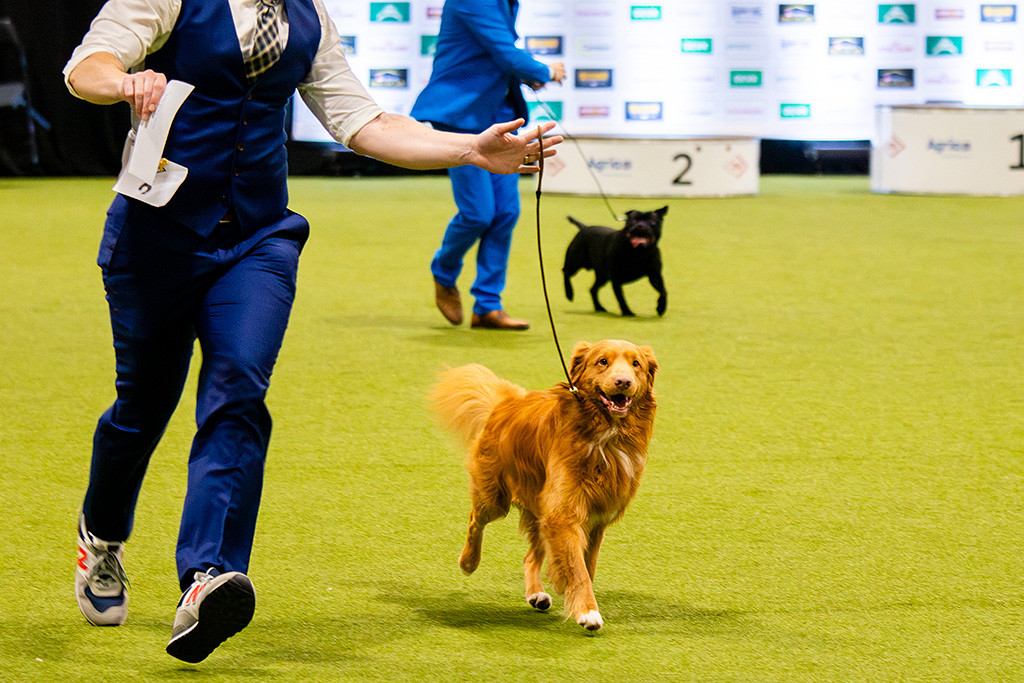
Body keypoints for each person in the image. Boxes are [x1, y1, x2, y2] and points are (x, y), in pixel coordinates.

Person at [64, 0, 560, 664]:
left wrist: (469, 148)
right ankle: (101, 536)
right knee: (143, 407)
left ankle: (207, 578)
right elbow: (87, 66)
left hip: (258, 240)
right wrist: (125, 81)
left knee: (239, 391)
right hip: (157, 238)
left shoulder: (309, 17)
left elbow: (363, 121)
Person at [411, 0, 565, 330]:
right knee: (478, 213)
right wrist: (547, 72)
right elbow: (504, 51)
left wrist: (524, 75)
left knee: (506, 212)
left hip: (501, 113)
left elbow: (494, 54)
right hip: (461, 114)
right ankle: (444, 271)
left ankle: (488, 306)